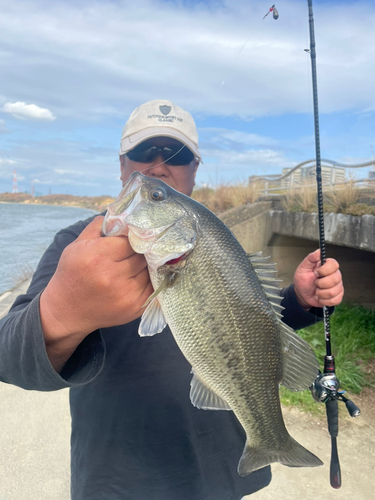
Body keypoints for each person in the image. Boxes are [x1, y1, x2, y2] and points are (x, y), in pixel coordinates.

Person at [0, 100, 344, 500]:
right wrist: (61, 308)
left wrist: (300, 302)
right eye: (144, 152)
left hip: (219, 474)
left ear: (195, 169)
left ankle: (267, 440)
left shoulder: (218, 243)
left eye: (176, 155)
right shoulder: (75, 247)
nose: (157, 166)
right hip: (116, 479)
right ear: (123, 164)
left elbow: (246, 325)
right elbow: (8, 358)